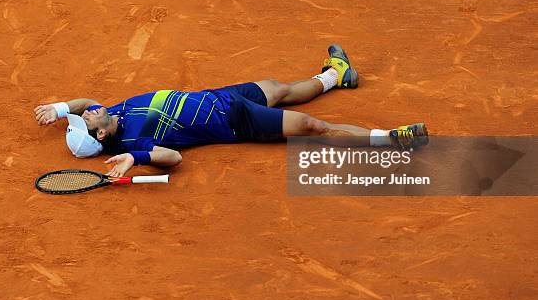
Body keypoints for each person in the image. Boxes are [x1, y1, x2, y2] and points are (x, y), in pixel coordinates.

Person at [34, 44, 428, 177]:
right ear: (102, 135)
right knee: (311, 125)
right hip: (235, 121)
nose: (86, 113)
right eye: (86, 122)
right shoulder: (135, 138)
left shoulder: (112, 111)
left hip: (222, 96)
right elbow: (171, 158)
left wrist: (58, 108)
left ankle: (335, 74)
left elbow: (84, 103)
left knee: (282, 89)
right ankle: (389, 141)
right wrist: (135, 158)